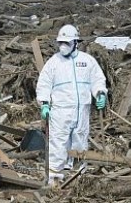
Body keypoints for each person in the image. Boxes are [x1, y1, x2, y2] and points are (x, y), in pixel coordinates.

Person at [36, 24, 108, 186]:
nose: (63, 46)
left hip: (82, 111)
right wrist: (44, 103)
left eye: (67, 43)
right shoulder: (54, 63)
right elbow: (44, 84)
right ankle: (54, 179)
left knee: (80, 142)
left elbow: (97, 79)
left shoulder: (87, 61)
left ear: (76, 42)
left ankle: (78, 177)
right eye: (61, 43)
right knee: (58, 144)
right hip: (60, 111)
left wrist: (100, 93)